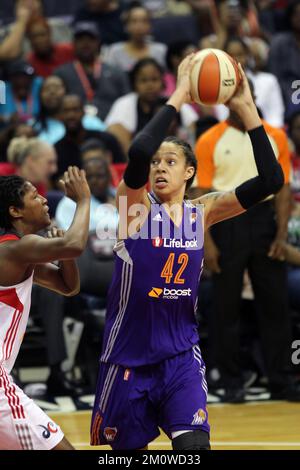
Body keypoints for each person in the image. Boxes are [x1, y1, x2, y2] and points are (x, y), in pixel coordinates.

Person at [90, 55, 284, 450]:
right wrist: (179, 92)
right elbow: (140, 151)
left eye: (170, 161)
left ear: (189, 172)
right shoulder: (135, 208)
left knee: (195, 449)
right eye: (156, 163)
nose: (159, 167)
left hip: (179, 357)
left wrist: (247, 110)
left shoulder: (203, 210)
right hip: (127, 359)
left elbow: (271, 180)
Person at [195, 82, 293, 402]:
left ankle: (280, 377)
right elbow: (200, 196)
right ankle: (230, 379)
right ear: (223, 99)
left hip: (264, 220)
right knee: (226, 307)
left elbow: (283, 189)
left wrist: (280, 234)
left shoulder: (274, 136)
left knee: (275, 303)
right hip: (226, 221)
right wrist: (207, 243)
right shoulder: (209, 138)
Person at [0, 166, 91, 450]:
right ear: (16, 211)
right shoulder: (12, 250)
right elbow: (75, 244)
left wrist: (64, 255)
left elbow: (68, 286)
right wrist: (84, 200)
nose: (44, 200)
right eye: (34, 196)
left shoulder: (19, 254)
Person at [105, 58, 198, 153]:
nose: (150, 85)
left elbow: (192, 127)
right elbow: (114, 130)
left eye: (154, 79)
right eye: (143, 80)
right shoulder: (124, 103)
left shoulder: (176, 102)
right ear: (134, 84)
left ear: (162, 81)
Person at [54, 21, 130, 120]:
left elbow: (128, 103)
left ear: (98, 42)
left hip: (112, 125)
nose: (86, 44)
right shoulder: (61, 74)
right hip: (74, 127)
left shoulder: (116, 73)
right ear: (73, 43)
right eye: (81, 39)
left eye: (90, 39)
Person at [54, 95, 126, 182]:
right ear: (59, 115)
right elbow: (58, 182)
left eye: (75, 110)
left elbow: (122, 172)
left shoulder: (107, 140)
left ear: (83, 112)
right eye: (66, 111)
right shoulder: (57, 150)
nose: (71, 115)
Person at [104, 1, 167, 72]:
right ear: (126, 25)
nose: (139, 26)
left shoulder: (161, 51)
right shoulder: (114, 51)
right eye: (134, 21)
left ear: (150, 26)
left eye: (144, 21)